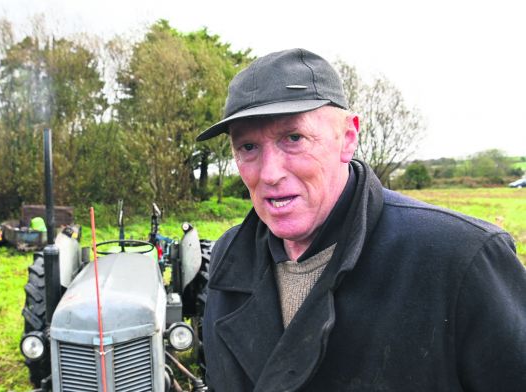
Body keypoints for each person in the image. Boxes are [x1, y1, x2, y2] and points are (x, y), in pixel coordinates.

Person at [198, 48, 526, 391]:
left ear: (348, 138)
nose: (269, 173)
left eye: (293, 138)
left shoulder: (461, 258)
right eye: (248, 147)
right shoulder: (227, 256)